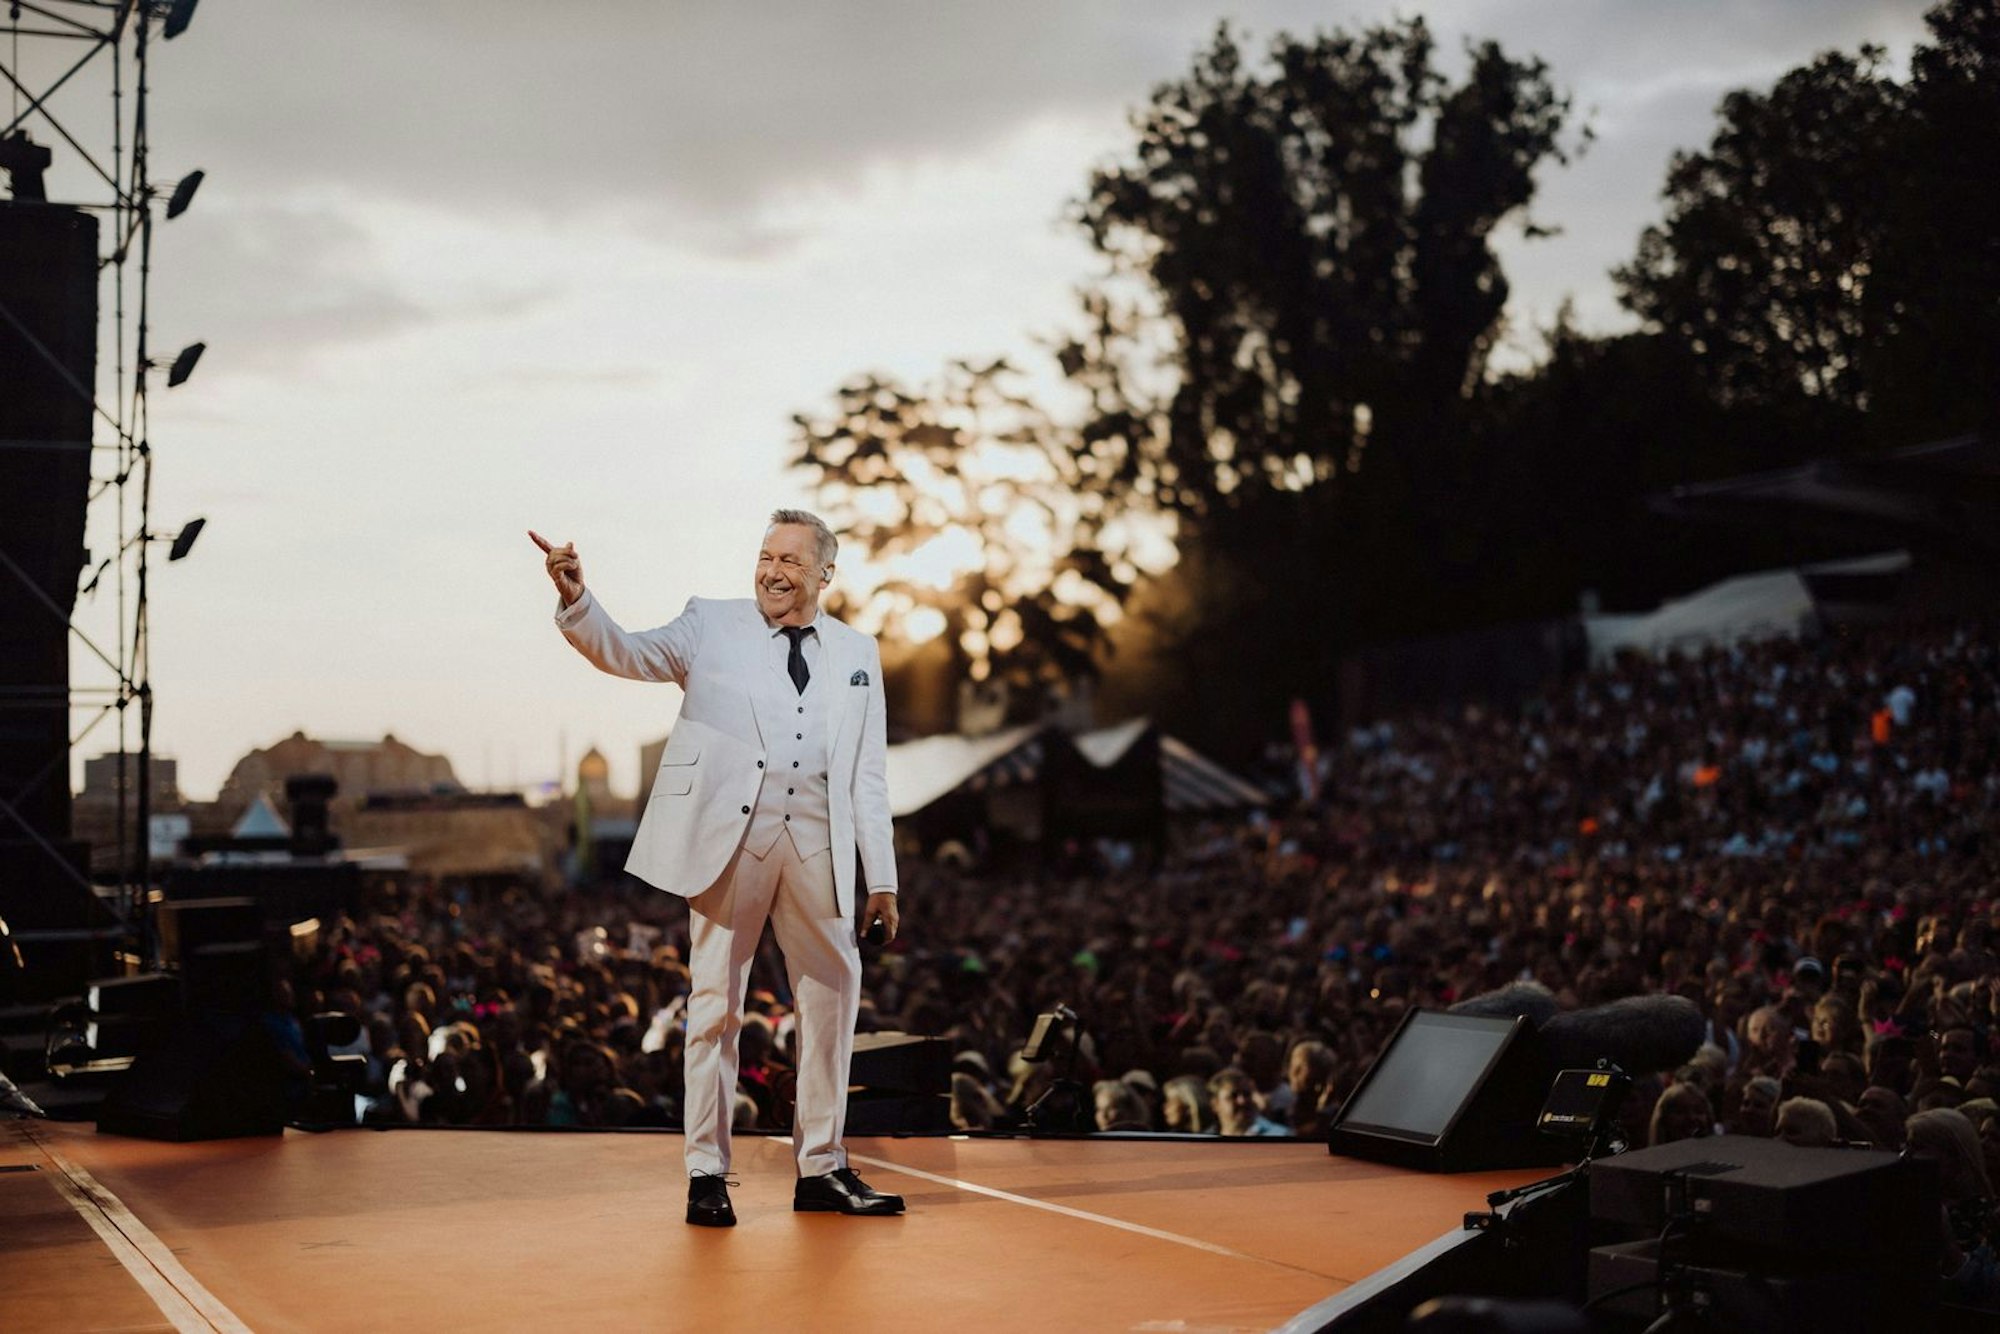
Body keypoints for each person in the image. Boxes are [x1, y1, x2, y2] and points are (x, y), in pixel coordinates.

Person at [533, 510, 903, 1227]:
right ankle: (707, 1172)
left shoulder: (859, 652)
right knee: (714, 1009)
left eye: (791, 561)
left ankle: (821, 1167)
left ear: (825, 574)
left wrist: (880, 877)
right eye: (766, 556)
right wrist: (579, 600)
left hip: (818, 849)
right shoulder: (711, 623)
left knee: (832, 1003)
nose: (772, 570)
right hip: (730, 843)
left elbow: (869, 775)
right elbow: (627, 653)